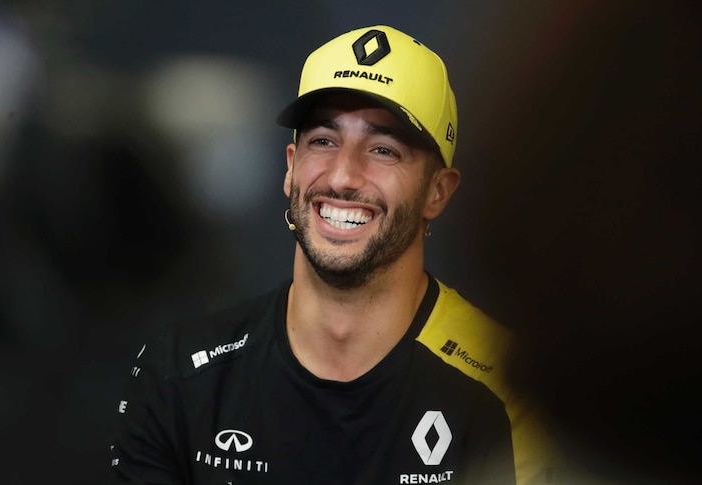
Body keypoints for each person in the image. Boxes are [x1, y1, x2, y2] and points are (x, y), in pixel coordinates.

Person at [108, 25, 558, 484]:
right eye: (323, 141)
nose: (343, 175)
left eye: (384, 149)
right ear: (290, 168)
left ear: (437, 192)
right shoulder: (181, 371)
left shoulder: (514, 386)